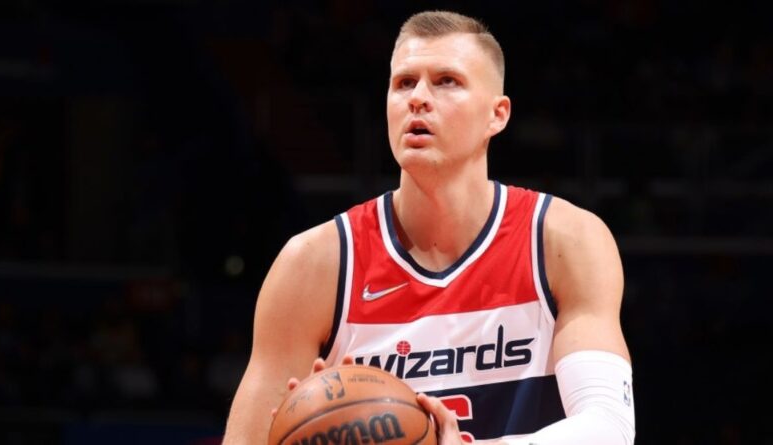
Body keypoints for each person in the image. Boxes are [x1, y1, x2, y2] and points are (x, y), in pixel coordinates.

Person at [222, 10, 635, 445]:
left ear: (497, 115)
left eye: (446, 81)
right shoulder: (315, 263)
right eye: (404, 83)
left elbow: (609, 428)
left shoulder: (563, 240)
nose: (418, 98)